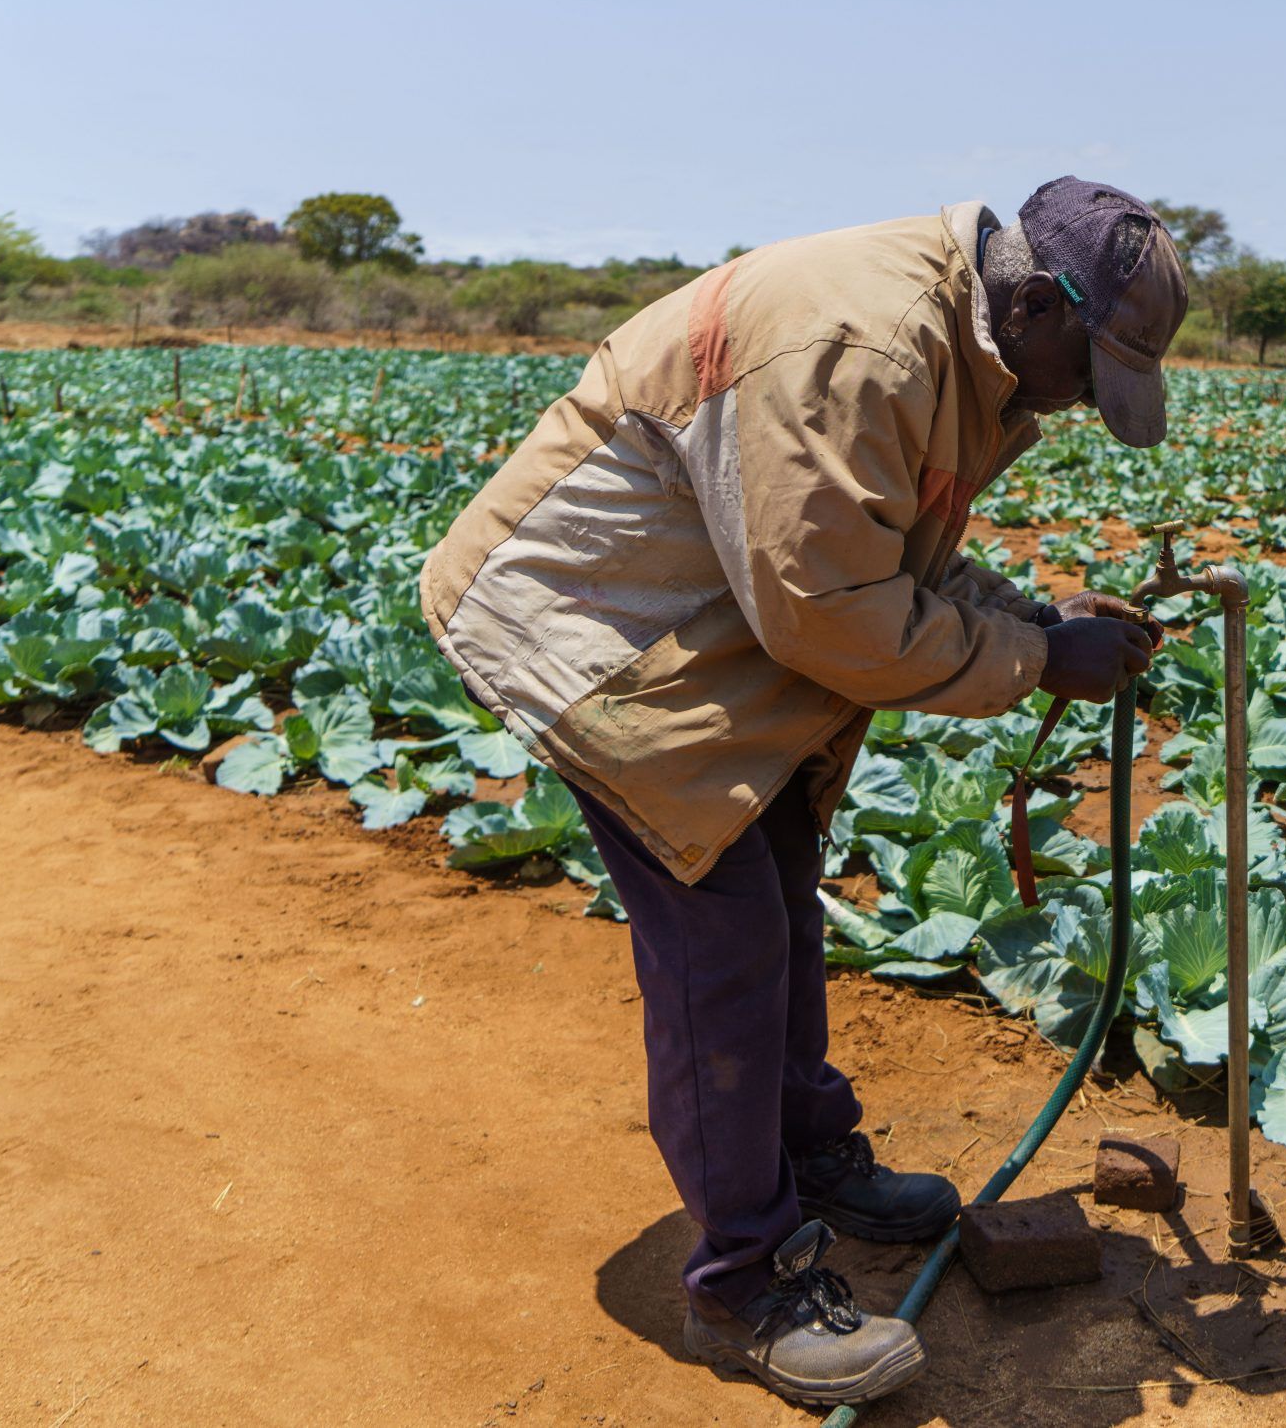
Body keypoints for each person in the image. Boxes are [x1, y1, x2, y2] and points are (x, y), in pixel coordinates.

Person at [419, 178, 1185, 1407]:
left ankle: (808, 1157)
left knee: (781, 889)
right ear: (1038, 304)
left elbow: (881, 545)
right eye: (1087, 375)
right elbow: (828, 609)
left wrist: (1032, 620)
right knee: (722, 945)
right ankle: (746, 1282)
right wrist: (1039, 661)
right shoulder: (861, 347)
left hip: (709, 622)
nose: (1081, 405)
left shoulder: (961, 337)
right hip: (600, 632)